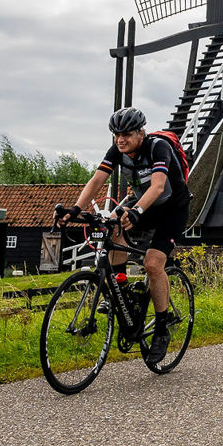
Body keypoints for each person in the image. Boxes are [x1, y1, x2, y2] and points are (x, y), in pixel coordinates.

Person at [55, 107, 189, 361]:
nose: (120, 140)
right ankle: (122, 288)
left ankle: (161, 328)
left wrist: (136, 211)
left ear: (141, 132)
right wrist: (75, 210)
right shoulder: (117, 150)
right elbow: (96, 181)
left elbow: (159, 186)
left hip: (172, 209)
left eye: (126, 134)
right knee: (112, 225)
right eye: (116, 135)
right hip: (144, 207)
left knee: (152, 263)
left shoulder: (158, 147)